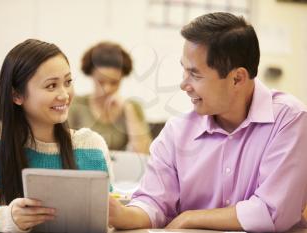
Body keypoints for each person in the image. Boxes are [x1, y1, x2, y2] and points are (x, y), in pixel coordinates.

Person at [109, 12, 307, 232]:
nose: (184, 84)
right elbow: (154, 203)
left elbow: (272, 211)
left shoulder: (290, 120)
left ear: (237, 78)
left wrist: (190, 218)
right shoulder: (177, 132)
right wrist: (122, 214)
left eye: (195, 74)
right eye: (184, 70)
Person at [0, 39, 112, 232]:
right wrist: (4, 217)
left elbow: (109, 218)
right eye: (51, 86)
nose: (64, 95)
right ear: (16, 96)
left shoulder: (90, 146)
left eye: (68, 82)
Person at [68, 42, 152, 154]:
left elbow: (144, 153)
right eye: (101, 82)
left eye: (114, 83)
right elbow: (64, 148)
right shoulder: (77, 104)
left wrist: (128, 109)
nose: (107, 89)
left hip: (119, 169)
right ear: (91, 76)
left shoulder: (133, 106)